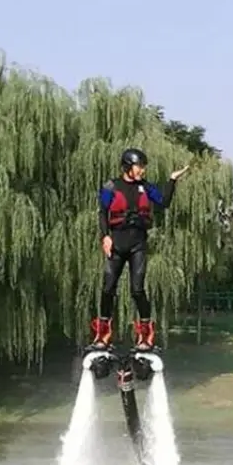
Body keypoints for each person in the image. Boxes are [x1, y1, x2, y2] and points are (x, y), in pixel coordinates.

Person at [88, 147, 190, 351]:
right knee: (108, 288)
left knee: (137, 290)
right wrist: (105, 236)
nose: (142, 170)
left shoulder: (146, 187)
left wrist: (172, 180)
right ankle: (103, 334)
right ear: (128, 166)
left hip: (138, 245)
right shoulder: (111, 187)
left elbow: (164, 202)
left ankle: (146, 335)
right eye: (139, 166)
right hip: (116, 243)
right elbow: (103, 212)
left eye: (143, 167)